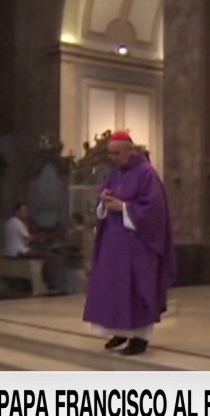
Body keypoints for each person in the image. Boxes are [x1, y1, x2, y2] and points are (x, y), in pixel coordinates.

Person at [83, 131, 177, 356]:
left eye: (117, 153)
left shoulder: (146, 173)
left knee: (136, 290)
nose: (113, 158)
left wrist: (123, 207)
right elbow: (105, 200)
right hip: (113, 245)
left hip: (138, 246)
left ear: (130, 150)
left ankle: (140, 338)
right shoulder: (115, 172)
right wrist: (103, 201)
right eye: (110, 154)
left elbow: (154, 210)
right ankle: (120, 331)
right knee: (114, 288)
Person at [62, 212, 88, 294]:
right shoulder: (76, 233)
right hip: (72, 265)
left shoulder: (79, 234)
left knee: (77, 291)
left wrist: (66, 252)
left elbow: (81, 250)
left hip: (77, 266)